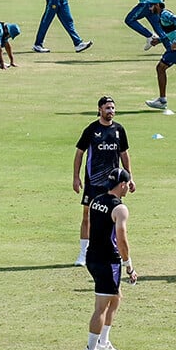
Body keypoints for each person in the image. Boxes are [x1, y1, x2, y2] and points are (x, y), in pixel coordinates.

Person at [82, 168, 137, 350]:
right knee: (101, 307)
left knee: (115, 298)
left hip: (92, 257)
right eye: (128, 184)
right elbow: (121, 238)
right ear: (122, 185)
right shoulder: (120, 209)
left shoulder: (96, 201)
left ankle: (103, 343)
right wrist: (128, 264)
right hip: (107, 261)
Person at [73, 96, 135, 266]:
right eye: (107, 108)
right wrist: (76, 177)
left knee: (113, 217)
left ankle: (112, 250)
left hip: (113, 186)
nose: (111, 111)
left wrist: (130, 178)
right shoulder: (91, 130)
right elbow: (79, 153)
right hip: (93, 182)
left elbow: (124, 155)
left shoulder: (119, 130)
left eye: (113, 108)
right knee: (88, 216)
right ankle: (83, 254)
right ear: (100, 109)